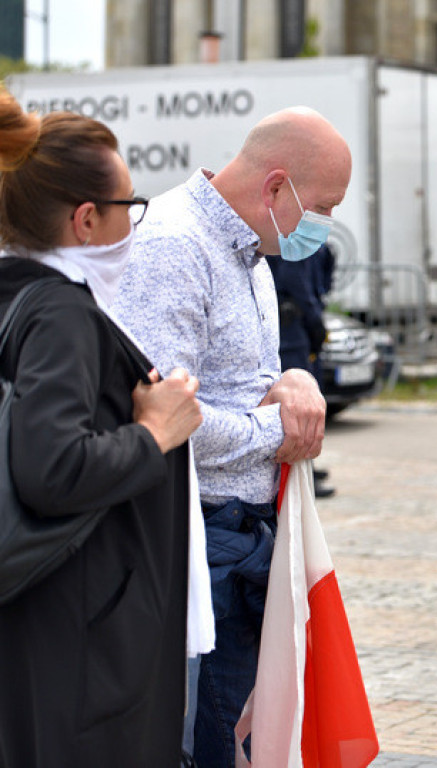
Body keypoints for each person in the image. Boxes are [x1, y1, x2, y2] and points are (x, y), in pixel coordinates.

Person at [113, 107, 352, 767]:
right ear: (277, 188)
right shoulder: (173, 246)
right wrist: (277, 430)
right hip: (198, 537)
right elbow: (163, 419)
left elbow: (250, 380)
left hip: (240, 538)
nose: (325, 225)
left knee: (239, 741)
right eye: (323, 207)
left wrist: (298, 380)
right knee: (211, 744)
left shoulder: (250, 251)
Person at [0, 86, 202, 766]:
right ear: (86, 220)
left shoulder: (18, 296)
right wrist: (155, 432)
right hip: (80, 648)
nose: (135, 224)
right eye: (130, 208)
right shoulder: (60, 314)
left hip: (43, 625)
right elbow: (52, 468)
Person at [268, 243, 337, 498]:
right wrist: (315, 324)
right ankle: (302, 473)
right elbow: (298, 285)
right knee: (299, 409)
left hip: (293, 330)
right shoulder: (294, 241)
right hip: (292, 331)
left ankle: (308, 465)